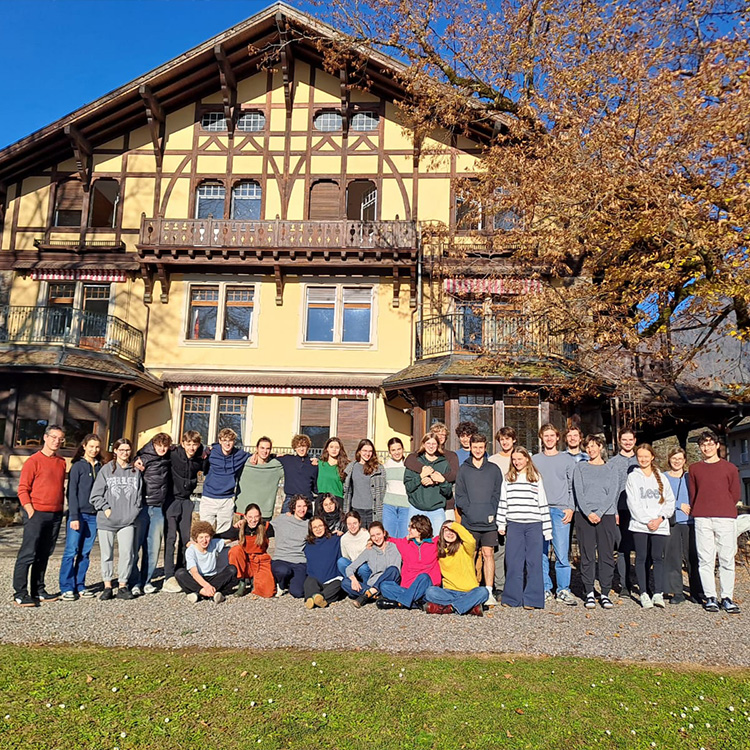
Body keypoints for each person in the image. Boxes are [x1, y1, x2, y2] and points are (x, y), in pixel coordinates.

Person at [12, 424, 66, 607]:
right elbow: (22, 489)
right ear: (45, 437)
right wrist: (30, 510)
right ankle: (20, 593)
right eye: (53, 437)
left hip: (55, 514)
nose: (56, 441)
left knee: (44, 554)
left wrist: (61, 508)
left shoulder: (61, 462)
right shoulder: (33, 461)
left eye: (60, 439)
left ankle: (38, 590)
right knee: (28, 554)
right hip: (36, 513)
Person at [689, 430, 741, 613]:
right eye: (703, 444)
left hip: (725, 517)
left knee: (727, 558)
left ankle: (727, 597)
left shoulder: (730, 468)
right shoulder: (694, 468)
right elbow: (693, 493)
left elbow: (735, 493)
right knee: (705, 559)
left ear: (717, 446)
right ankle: (710, 596)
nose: (707, 447)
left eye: (710, 444)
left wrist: (724, 506)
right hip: (702, 517)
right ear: (700, 447)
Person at [497, 447, 552, 610]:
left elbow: (542, 502)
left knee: (534, 562)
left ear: (527, 459)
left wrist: (547, 529)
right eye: (514, 459)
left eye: (519, 459)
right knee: (513, 561)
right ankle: (512, 597)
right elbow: (503, 501)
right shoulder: (508, 478)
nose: (516, 462)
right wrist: (501, 523)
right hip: (514, 524)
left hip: (534, 524)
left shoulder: (535, 477)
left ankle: (533, 599)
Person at [90, 438, 143, 601]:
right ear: (115, 451)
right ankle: (107, 586)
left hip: (127, 521)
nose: (124, 453)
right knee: (107, 554)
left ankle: (122, 585)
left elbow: (139, 498)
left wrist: (133, 513)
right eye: (121, 450)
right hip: (107, 521)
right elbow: (95, 495)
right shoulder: (106, 470)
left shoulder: (135, 472)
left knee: (127, 554)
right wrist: (106, 510)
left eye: (127, 450)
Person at [454, 433, 503, 606]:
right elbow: (459, 494)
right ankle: (472, 590)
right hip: (469, 520)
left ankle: (488, 591)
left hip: (489, 521)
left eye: (481, 447)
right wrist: (468, 510)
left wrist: (492, 511)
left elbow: (498, 494)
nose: (478, 450)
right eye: (475, 447)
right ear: (471, 447)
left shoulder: (494, 469)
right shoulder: (464, 469)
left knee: (488, 554)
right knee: (470, 555)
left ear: (485, 447)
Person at [626, 443, 675, 609]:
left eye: (646, 456)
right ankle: (644, 593)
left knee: (657, 558)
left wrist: (659, 519)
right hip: (640, 525)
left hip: (659, 525)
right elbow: (632, 503)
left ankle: (658, 592)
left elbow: (670, 501)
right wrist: (647, 520)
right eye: (640, 456)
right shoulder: (633, 477)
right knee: (641, 558)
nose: (643, 459)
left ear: (652, 457)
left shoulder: (661, 477)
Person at [572, 435, 618, 609]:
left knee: (606, 554)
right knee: (587, 554)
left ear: (600, 447)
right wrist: (588, 512)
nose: (590, 450)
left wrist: (599, 512)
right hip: (584, 516)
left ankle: (605, 592)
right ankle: (589, 591)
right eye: (588, 447)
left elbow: (612, 493)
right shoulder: (580, 467)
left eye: (593, 446)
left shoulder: (611, 468)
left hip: (606, 515)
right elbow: (579, 493)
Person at [532, 423, 576, 606]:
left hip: (560, 510)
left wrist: (571, 507)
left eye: (552, 435)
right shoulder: (534, 460)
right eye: (546, 435)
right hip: (540, 511)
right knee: (541, 552)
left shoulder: (567, 460)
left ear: (558, 438)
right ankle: (544, 588)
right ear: (541, 438)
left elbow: (574, 486)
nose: (549, 439)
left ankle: (563, 589)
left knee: (561, 553)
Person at [163, 431, 208, 593]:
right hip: (171, 500)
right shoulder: (174, 454)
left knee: (185, 539)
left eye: (194, 444)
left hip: (187, 501)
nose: (191, 447)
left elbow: (207, 467)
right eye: (188, 444)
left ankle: (180, 570)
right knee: (170, 538)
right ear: (183, 443)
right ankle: (168, 575)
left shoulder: (198, 458)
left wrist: (208, 453)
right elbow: (153, 451)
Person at [59, 433, 102, 601]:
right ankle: (66, 586)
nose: (94, 450)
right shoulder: (77, 466)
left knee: (85, 553)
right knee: (71, 551)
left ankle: (80, 584)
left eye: (97, 447)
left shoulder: (100, 467)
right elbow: (72, 493)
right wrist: (74, 516)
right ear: (84, 446)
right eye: (91, 446)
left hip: (93, 516)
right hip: (78, 515)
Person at [131, 432, 173, 595]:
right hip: (142, 507)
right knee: (135, 546)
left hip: (158, 508)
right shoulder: (144, 457)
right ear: (153, 445)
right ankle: (134, 582)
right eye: (159, 446)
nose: (162, 449)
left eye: (165, 446)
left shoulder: (168, 455)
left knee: (153, 547)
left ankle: (146, 581)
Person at [423, 521, 489, 616]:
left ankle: (450, 608)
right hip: (449, 592)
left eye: (453, 531)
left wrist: (455, 525)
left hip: (469, 592)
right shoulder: (439, 551)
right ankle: (469, 607)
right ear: (442, 532)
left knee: (483, 592)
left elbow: (471, 541)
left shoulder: (465, 548)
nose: (450, 533)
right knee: (430, 592)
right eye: (447, 530)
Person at [663, 447, 702, 604]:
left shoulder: (690, 477)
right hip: (672, 522)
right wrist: (679, 505)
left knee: (693, 557)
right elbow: (661, 498)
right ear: (669, 459)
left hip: (690, 522)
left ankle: (697, 591)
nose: (677, 461)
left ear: (685, 460)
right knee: (673, 558)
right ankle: (677, 592)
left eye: (680, 458)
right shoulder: (663, 477)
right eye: (674, 458)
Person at [378, 514, 440, 610]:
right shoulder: (405, 544)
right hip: (407, 587)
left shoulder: (435, 543)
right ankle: (415, 603)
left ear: (420, 529)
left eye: (411, 527)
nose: (408, 529)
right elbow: (385, 539)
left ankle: (400, 603)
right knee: (384, 586)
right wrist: (370, 541)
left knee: (423, 577)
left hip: (426, 586)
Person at [201, 428, 251, 533]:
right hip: (208, 498)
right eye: (224, 440)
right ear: (220, 441)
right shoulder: (212, 453)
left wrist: (275, 456)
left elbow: (256, 457)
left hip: (226, 499)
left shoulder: (239, 455)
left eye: (230, 440)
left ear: (234, 442)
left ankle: (221, 550)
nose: (227, 443)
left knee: (224, 533)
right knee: (205, 532)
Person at [404, 422, 459, 519]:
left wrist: (434, 479)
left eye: (443, 434)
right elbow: (409, 461)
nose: (440, 436)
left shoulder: (450, 456)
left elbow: (453, 475)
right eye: (437, 433)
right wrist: (424, 472)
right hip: (421, 504)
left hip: (444, 503)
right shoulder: (419, 455)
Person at [176, 520, 237, 603]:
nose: (204, 540)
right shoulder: (191, 550)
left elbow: (231, 539)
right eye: (201, 537)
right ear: (196, 539)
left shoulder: (214, 543)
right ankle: (207, 593)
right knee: (180, 573)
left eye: (207, 537)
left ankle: (197, 593)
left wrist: (240, 528)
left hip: (212, 577)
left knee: (232, 570)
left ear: (211, 537)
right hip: (197, 578)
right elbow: (194, 572)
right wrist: (206, 586)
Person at [609, 427, 638, 597]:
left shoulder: (640, 460)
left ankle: (641, 581)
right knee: (623, 548)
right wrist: (613, 510)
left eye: (630, 440)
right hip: (621, 508)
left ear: (635, 441)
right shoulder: (613, 463)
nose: (627, 443)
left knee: (642, 547)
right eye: (624, 440)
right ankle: (625, 584)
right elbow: (611, 489)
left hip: (640, 510)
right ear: (620, 441)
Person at [343, 522, 402, 606]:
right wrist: (353, 580)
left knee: (393, 569)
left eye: (378, 534)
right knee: (345, 582)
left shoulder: (394, 547)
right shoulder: (369, 550)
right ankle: (376, 595)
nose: (376, 538)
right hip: (372, 584)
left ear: (384, 533)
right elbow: (350, 568)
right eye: (373, 536)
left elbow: (395, 571)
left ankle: (369, 594)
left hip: (389, 583)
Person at [488, 426, 516, 596]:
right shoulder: (493, 460)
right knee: (500, 549)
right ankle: (500, 585)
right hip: (499, 509)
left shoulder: (521, 457)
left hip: (518, 509)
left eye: (508, 438)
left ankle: (515, 583)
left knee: (516, 550)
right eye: (502, 439)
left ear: (514, 439)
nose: (505, 442)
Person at [226, 503, 275, 597]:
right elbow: (223, 535)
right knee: (235, 550)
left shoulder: (267, 527)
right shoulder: (241, 528)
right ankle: (242, 581)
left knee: (268, 592)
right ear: (245, 517)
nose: (253, 520)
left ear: (260, 516)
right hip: (245, 561)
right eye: (250, 517)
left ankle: (254, 580)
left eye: (256, 517)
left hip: (260, 561)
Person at [270, 495, 310, 598]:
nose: (302, 509)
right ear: (293, 507)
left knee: (298, 593)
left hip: (299, 561)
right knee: (283, 571)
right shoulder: (282, 519)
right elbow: (263, 526)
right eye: (299, 506)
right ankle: (281, 584)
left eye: (304, 506)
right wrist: (243, 522)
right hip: (281, 558)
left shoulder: (309, 524)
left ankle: (292, 581)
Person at [236, 436, 283, 520]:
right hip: (244, 511)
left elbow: (292, 466)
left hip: (264, 513)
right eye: (262, 448)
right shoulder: (244, 462)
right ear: (257, 448)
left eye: (268, 448)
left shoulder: (276, 465)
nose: (265, 451)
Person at [343, 439, 386, 526]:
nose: (367, 454)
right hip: (356, 509)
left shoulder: (378, 468)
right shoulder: (351, 467)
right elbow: (347, 489)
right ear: (359, 451)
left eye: (370, 451)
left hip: (373, 510)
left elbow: (383, 489)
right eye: (365, 451)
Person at [303, 517, 344, 608]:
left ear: (325, 526)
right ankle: (318, 599)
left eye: (320, 526)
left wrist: (342, 533)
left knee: (338, 585)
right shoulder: (308, 544)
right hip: (316, 579)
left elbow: (350, 538)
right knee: (308, 582)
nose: (318, 529)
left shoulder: (335, 539)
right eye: (315, 527)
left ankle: (314, 598)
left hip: (333, 578)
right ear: (311, 530)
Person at [277, 434, 318, 513]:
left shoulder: (313, 464)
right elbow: (268, 457)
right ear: (295, 448)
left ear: (308, 447)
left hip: (306, 500)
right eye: (299, 446)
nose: (301, 449)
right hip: (290, 499)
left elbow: (315, 486)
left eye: (304, 446)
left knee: (306, 525)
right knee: (284, 523)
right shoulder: (287, 460)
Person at [382, 437, 410, 538]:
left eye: (399, 449)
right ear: (389, 451)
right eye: (393, 450)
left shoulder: (408, 465)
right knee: (389, 537)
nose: (396, 452)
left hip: (405, 505)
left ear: (403, 449)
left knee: (404, 536)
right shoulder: (385, 467)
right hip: (389, 506)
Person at [337, 510, 371, 582]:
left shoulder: (366, 534)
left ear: (359, 522)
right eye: (349, 524)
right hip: (352, 566)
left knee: (363, 568)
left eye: (355, 523)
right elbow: (346, 557)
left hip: (364, 566)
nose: (352, 526)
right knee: (341, 561)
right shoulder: (344, 538)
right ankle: (352, 582)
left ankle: (367, 586)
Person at [316, 437, 349, 503]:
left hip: (337, 500)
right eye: (331, 447)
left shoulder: (345, 466)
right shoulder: (319, 464)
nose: (334, 449)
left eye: (337, 447)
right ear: (327, 449)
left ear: (340, 450)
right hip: (322, 500)